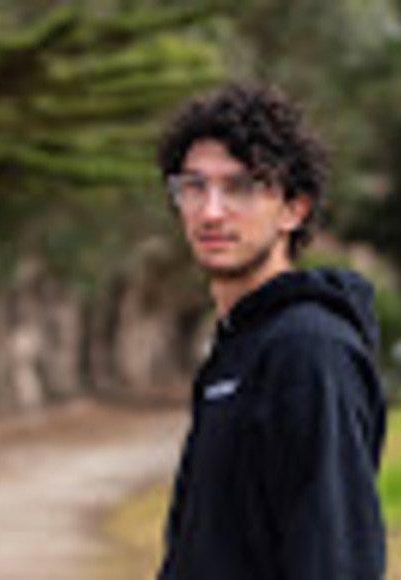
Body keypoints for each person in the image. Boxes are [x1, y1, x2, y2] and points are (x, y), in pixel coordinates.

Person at [156, 82, 386, 580]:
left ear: (293, 209)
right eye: (193, 186)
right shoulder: (238, 346)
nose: (210, 211)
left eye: (239, 187)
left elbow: (335, 560)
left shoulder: (310, 350)